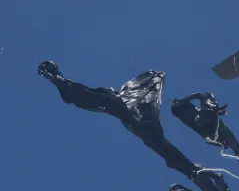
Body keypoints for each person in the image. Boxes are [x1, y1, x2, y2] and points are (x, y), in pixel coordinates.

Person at [37, 61, 197, 177]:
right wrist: (56, 78)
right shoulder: (114, 102)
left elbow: (87, 96)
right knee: (161, 146)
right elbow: (87, 96)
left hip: (142, 124)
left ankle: (189, 169)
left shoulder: (122, 102)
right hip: (139, 124)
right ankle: (189, 169)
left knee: (162, 146)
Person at [172, 92, 239, 191]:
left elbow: (199, 95)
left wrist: (184, 100)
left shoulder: (206, 105)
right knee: (237, 149)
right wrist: (219, 143)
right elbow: (207, 138)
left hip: (215, 125)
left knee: (238, 150)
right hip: (211, 130)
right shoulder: (197, 120)